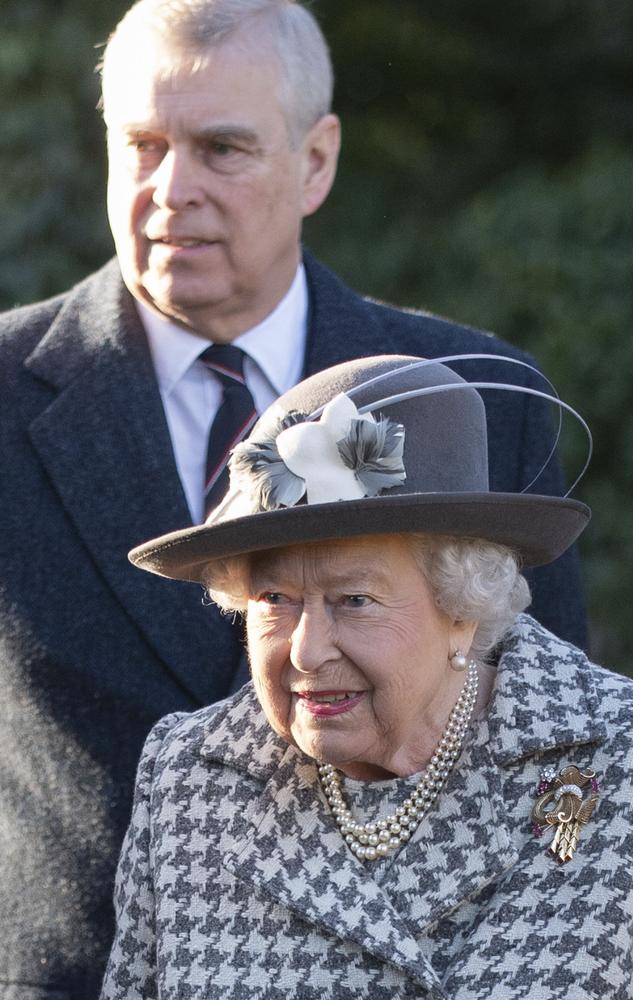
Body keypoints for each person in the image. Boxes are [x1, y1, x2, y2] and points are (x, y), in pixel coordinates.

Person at [0, 1, 586, 997]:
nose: (168, 190)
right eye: (140, 146)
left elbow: (551, 743)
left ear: (316, 161)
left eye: (220, 148)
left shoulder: (476, 392)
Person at [100, 354, 633, 999]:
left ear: (463, 609)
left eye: (353, 600)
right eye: (274, 599)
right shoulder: (189, 777)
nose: (306, 651)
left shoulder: (628, 761)